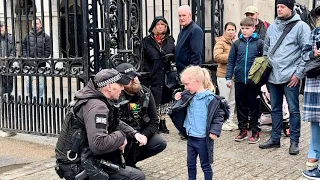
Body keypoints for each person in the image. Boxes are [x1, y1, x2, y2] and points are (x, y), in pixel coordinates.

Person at [55, 68, 146, 180]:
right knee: (136, 177)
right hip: (78, 166)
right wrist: (121, 136)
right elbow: (98, 144)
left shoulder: (93, 97)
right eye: (120, 84)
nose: (123, 88)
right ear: (109, 87)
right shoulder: (97, 106)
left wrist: (133, 133)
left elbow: (112, 120)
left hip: (80, 159)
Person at [259, 0, 311, 155]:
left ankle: (294, 141)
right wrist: (266, 71)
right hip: (273, 77)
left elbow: (306, 53)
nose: (279, 9)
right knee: (275, 109)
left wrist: (298, 74)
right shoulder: (273, 27)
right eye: (277, 7)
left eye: (282, 7)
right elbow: (266, 50)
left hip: (291, 78)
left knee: (294, 110)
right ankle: (275, 139)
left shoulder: (301, 27)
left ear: (290, 8)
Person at [174, 66, 225, 180]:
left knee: (206, 165)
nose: (185, 87)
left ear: (197, 82)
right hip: (191, 138)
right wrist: (177, 96)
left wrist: (214, 131)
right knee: (190, 164)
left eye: (187, 84)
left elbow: (218, 115)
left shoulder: (210, 98)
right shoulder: (190, 95)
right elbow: (181, 98)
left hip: (203, 138)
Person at [116, 63, 167, 169]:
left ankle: (131, 162)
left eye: (135, 76)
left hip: (140, 132)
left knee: (160, 142)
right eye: (130, 79)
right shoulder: (116, 95)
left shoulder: (146, 93)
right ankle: (119, 163)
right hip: (123, 135)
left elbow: (154, 122)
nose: (135, 80)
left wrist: (143, 135)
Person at [225, 17, 263, 143]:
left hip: (254, 81)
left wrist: (263, 82)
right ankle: (243, 130)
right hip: (240, 79)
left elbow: (263, 63)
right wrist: (228, 77)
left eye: (247, 28)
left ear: (253, 28)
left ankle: (255, 130)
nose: (245, 31)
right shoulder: (237, 44)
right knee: (241, 106)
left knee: (254, 106)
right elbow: (231, 61)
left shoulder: (259, 43)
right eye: (243, 28)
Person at [142, 16, 175, 133]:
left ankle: (163, 122)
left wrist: (171, 57)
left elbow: (175, 53)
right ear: (154, 27)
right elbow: (143, 59)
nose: (160, 27)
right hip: (154, 74)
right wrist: (149, 71)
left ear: (166, 27)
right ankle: (154, 123)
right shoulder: (147, 40)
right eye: (158, 24)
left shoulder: (170, 39)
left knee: (165, 100)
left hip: (166, 75)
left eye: (163, 25)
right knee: (154, 100)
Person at [301, 26, 320, 179]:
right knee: (314, 121)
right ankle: (314, 154)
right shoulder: (315, 32)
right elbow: (304, 55)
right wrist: (314, 53)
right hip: (315, 84)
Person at [214, 22, 238, 131]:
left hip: (234, 76)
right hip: (223, 75)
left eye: (232, 29)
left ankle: (230, 120)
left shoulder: (236, 42)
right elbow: (217, 57)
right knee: (224, 99)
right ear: (225, 31)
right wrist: (232, 56)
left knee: (232, 100)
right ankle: (222, 122)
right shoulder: (221, 42)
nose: (230, 32)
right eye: (228, 29)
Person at [22, 17, 51, 101]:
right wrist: (27, 58)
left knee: (41, 82)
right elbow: (24, 48)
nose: (35, 25)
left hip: (41, 63)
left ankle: (40, 98)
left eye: (37, 23)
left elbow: (48, 50)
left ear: (41, 25)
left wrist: (42, 59)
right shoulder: (27, 36)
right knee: (28, 81)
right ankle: (29, 98)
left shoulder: (46, 37)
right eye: (34, 23)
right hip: (29, 63)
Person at [175, 5, 204, 75]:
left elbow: (196, 53)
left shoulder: (195, 30)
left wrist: (193, 72)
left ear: (190, 15)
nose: (181, 18)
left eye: (184, 15)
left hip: (189, 72)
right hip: (182, 71)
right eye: (179, 16)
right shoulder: (183, 30)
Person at [0, 21, 14, 96]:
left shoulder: (10, 38)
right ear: (1, 28)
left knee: (9, 83)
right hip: (0, 65)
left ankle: (9, 96)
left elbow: (13, 51)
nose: (7, 28)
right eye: (5, 26)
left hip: (8, 65)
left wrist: (9, 59)